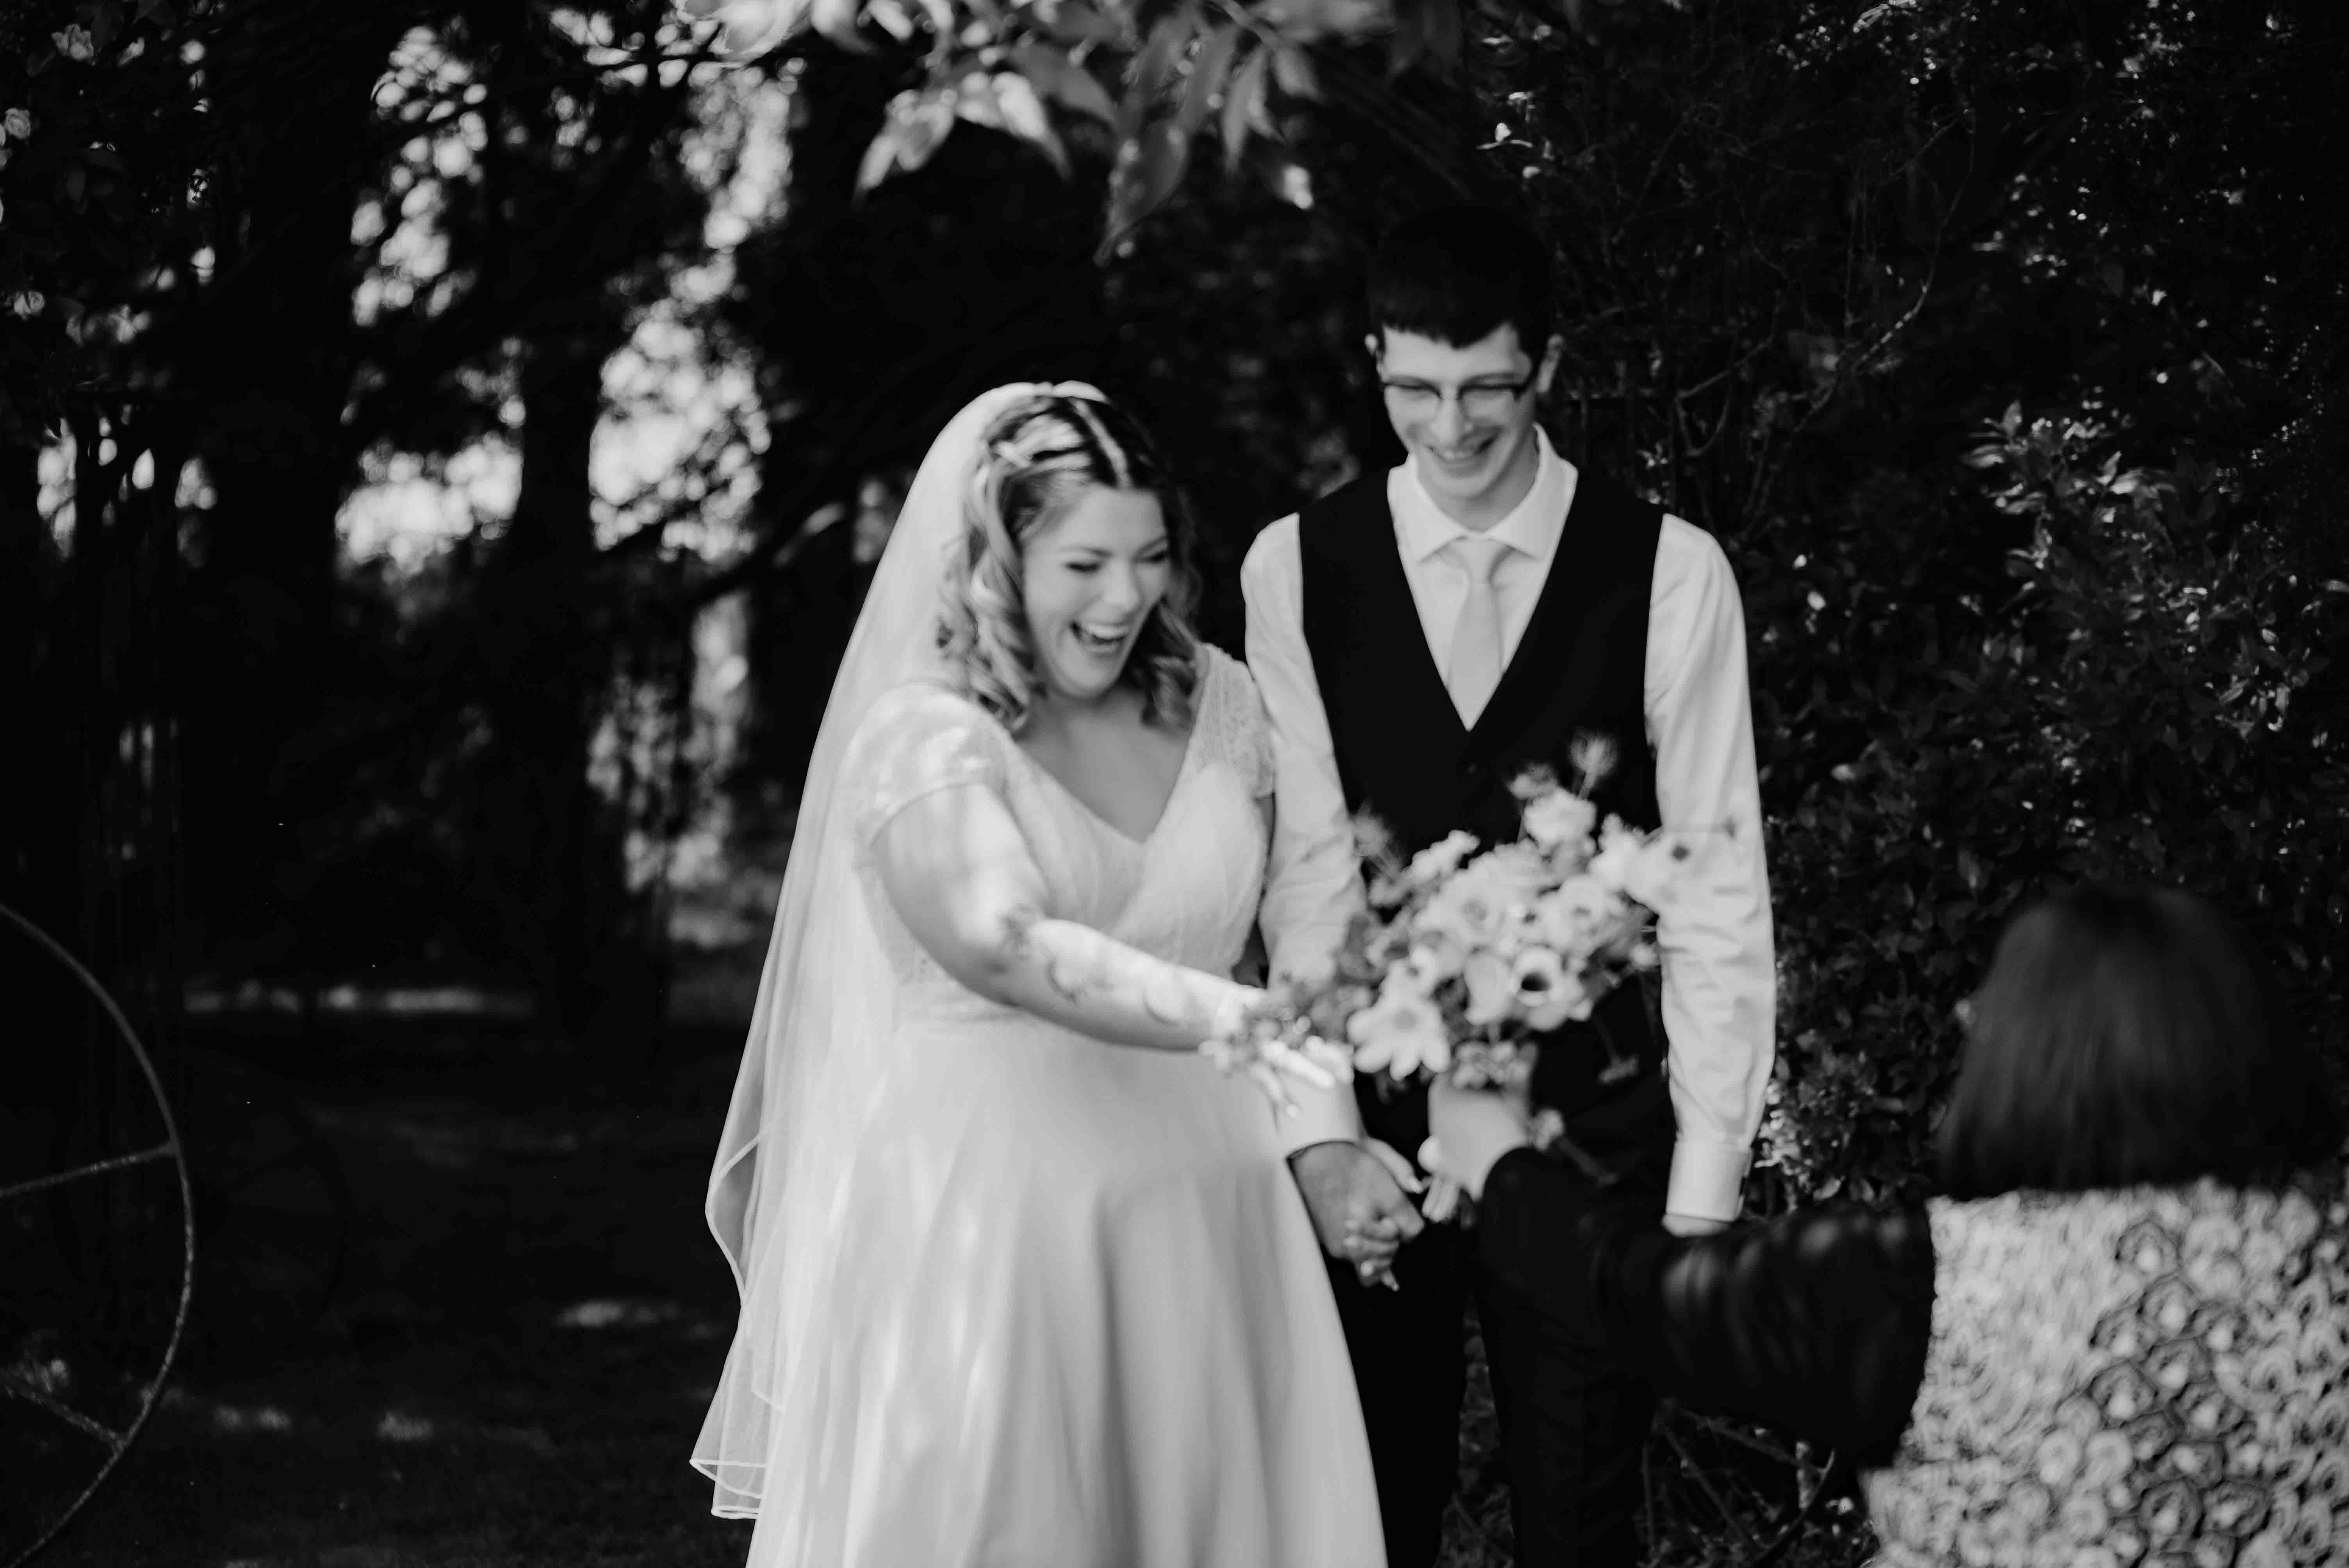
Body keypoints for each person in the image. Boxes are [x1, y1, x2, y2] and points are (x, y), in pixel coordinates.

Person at [693, 385, 1386, 1567]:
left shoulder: (1220, 699)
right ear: (996, 558)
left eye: (1150, 557)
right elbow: (1001, 942)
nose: (1125, 599)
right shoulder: (924, 734)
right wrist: (1246, 1022)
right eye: (1084, 565)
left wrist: (1323, 1127)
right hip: (1004, 1222)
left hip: (1216, 1218)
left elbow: (1285, 917)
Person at [1243, 203, 1776, 1564]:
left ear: (1546, 365)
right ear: (1375, 361)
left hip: (1595, 1138)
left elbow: (1716, 892)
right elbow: (1308, 883)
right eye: (1414, 388)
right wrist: (1318, 1134)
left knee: (1580, 1529)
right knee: (1365, 1519)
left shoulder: (1672, 574)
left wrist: (1700, 1201)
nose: (1450, 426)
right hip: (1381, 1128)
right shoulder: (1295, 571)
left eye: (1486, 386)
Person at [1430, 884, 2349, 1568]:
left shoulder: (1934, 1282)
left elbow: (1640, 1295)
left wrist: (1500, 1163)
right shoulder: (2326, 1252)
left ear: (2025, 1058)